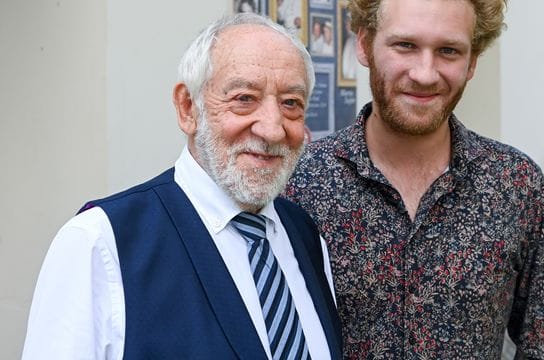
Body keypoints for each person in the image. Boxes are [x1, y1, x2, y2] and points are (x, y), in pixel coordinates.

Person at [22, 13, 342, 360]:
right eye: (244, 98)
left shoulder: (305, 238)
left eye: (290, 104)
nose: (272, 129)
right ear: (188, 108)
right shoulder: (100, 243)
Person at [284, 0, 544, 358]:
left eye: (448, 50)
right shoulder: (299, 181)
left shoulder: (514, 184)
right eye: (405, 45)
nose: (425, 73)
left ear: (472, 62)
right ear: (363, 44)